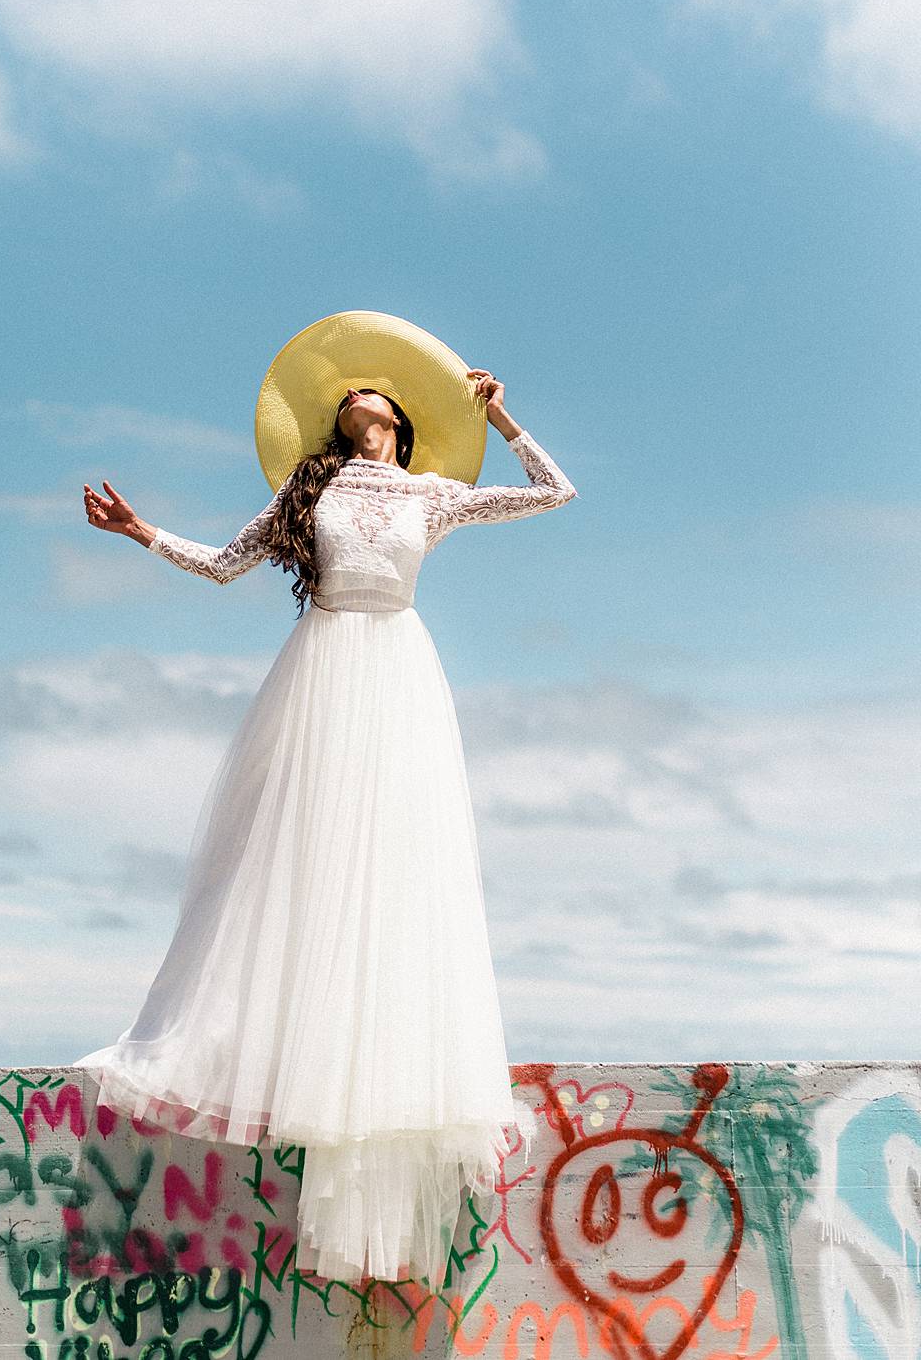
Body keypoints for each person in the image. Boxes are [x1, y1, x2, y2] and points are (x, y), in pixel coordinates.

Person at [73, 312, 577, 1291]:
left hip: (398, 678)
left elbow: (556, 491)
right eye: (345, 390)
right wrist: (141, 533)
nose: (358, 392)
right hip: (324, 674)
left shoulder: (435, 494)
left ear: (401, 416)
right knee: (295, 874)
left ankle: (379, 1089)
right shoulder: (308, 491)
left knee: (397, 880)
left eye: (373, 388)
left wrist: (508, 421)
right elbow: (224, 566)